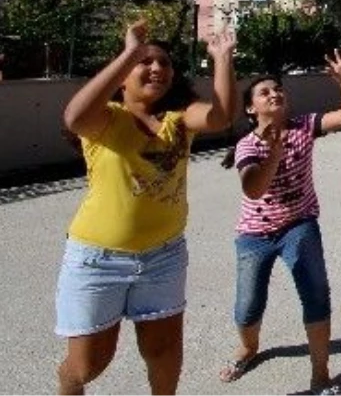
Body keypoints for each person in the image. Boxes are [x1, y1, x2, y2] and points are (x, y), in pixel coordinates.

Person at [56, 20, 236, 396]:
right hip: (98, 259)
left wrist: (222, 58)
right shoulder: (106, 118)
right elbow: (73, 117)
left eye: (164, 63)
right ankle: (67, 384)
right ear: (123, 76)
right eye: (146, 62)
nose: (157, 68)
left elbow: (220, 117)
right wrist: (128, 53)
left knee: (164, 355)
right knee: (87, 366)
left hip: (164, 256)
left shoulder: (177, 120)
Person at [217, 50, 341, 396]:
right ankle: (248, 348)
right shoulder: (248, 145)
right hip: (255, 234)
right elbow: (253, 189)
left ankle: (320, 374)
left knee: (316, 295)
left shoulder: (303, 125)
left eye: (278, 89)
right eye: (264, 92)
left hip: (300, 225)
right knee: (248, 305)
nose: (274, 94)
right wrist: (275, 151)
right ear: (251, 109)